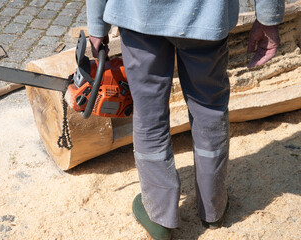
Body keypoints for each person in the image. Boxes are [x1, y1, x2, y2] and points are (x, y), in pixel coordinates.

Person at [86, 1, 285, 239]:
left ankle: (159, 217)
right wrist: (268, 17)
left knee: (149, 115)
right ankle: (213, 208)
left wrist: (97, 25)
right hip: (207, 15)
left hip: (140, 16)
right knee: (209, 109)